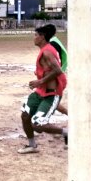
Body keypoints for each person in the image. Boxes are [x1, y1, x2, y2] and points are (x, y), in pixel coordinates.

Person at [17, 24, 68, 154]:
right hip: (40, 91)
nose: (33, 38)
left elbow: (57, 71)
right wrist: (40, 81)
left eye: (35, 35)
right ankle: (32, 145)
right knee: (25, 115)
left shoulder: (47, 51)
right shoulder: (44, 50)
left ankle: (67, 133)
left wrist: (40, 81)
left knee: (38, 124)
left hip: (52, 94)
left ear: (42, 37)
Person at [44, 23, 69, 124]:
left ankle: (42, 120)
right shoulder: (54, 41)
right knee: (48, 98)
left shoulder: (52, 44)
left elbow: (54, 63)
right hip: (57, 75)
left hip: (56, 77)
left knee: (49, 99)